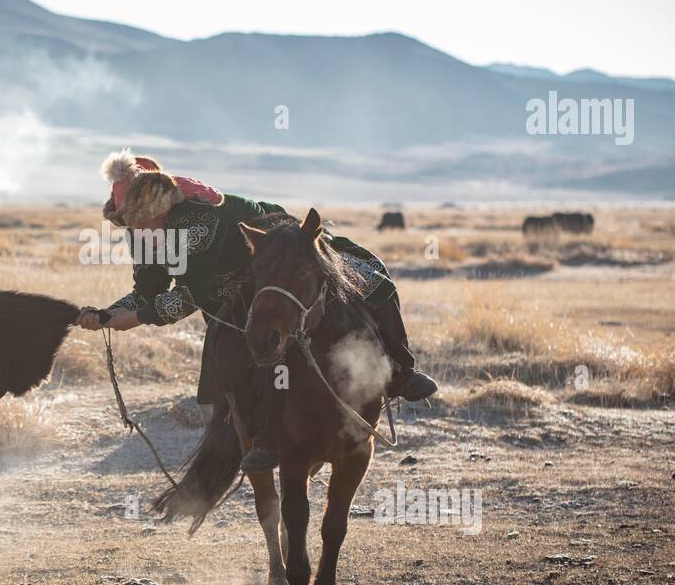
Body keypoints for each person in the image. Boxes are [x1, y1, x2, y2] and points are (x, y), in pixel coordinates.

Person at [76, 151, 437, 470]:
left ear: (155, 207)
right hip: (233, 289)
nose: (133, 230)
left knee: (373, 282)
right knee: (240, 355)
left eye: (136, 220)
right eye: (127, 223)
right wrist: (107, 316)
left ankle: (401, 371)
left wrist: (138, 318)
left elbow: (193, 293)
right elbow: (147, 292)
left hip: (278, 254)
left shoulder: (195, 219)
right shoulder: (144, 233)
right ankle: (264, 434)